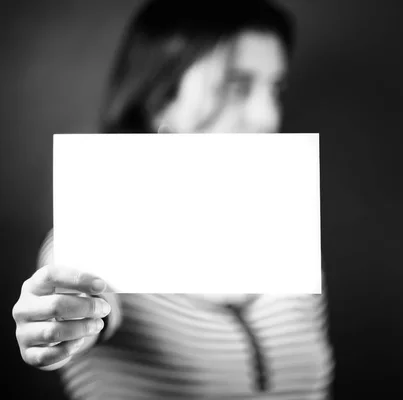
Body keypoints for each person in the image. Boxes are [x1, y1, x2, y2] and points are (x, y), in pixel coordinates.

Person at [12, 1, 334, 399]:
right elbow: (77, 288)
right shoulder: (99, 231)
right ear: (160, 99)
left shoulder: (287, 243)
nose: (267, 115)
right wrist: (63, 319)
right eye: (236, 84)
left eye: (275, 89)